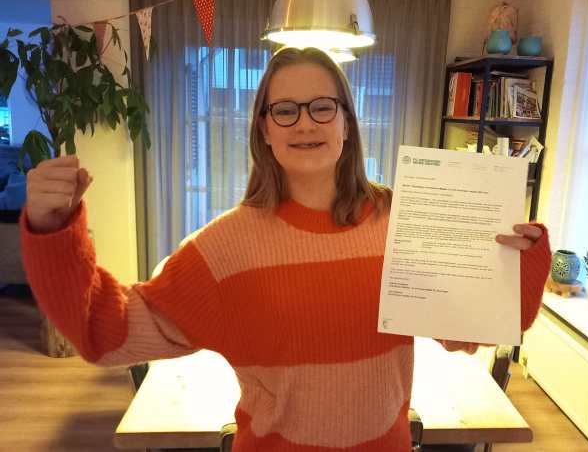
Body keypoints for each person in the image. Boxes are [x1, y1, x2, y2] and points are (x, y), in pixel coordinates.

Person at [21, 47, 551, 452]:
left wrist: (520, 261)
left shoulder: (404, 221)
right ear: (264, 130)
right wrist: (51, 230)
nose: (305, 123)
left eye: (322, 107)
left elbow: (472, 331)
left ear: (346, 124)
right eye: (285, 111)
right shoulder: (225, 247)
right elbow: (103, 334)